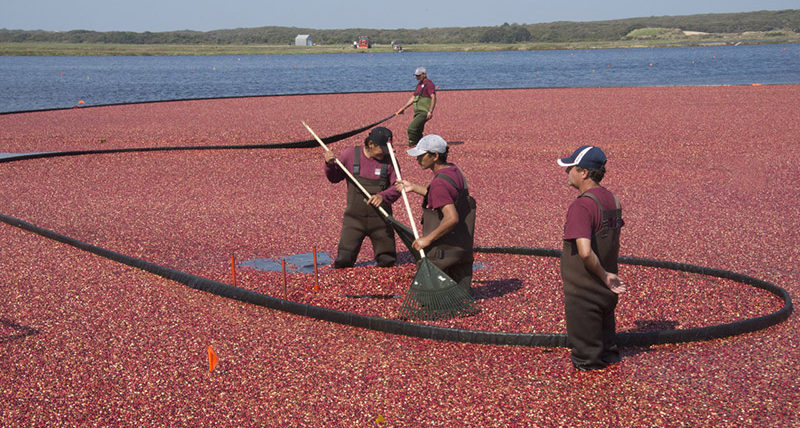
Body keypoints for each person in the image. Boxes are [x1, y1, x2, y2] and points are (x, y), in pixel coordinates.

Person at [557, 145, 626, 371]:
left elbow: (585, 252)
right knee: (608, 353)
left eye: (571, 168)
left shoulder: (582, 206)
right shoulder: (613, 201)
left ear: (584, 172)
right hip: (606, 295)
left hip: (584, 294)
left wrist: (604, 276)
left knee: (588, 362)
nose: (567, 173)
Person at [396, 134, 476, 293]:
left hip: (443, 252)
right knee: (461, 298)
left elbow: (452, 218)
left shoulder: (439, 182)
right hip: (462, 247)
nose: (418, 159)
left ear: (435, 156)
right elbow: (443, 196)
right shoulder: (454, 170)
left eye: (421, 155)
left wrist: (427, 239)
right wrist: (413, 187)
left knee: (431, 300)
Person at [324, 127, 401, 268]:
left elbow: (398, 187)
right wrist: (329, 165)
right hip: (354, 221)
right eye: (382, 148)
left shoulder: (391, 162)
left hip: (381, 222)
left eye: (388, 149)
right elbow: (334, 178)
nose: (385, 152)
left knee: (387, 261)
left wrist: (383, 196)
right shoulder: (350, 154)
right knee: (343, 261)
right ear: (371, 144)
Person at [395, 67, 436, 147]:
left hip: (424, 112)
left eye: (419, 75)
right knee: (418, 130)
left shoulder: (429, 84)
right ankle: (422, 145)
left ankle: (412, 144)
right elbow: (413, 98)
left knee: (412, 128)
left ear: (424, 74)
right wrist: (403, 108)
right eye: (416, 76)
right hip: (417, 112)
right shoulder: (419, 85)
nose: (417, 77)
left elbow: (433, 97)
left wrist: (430, 111)